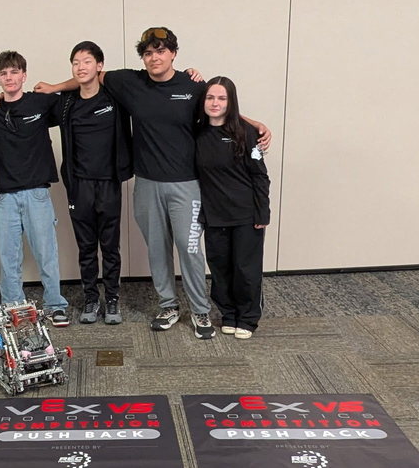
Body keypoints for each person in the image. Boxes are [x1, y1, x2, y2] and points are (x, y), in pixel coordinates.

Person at [36, 26, 270, 339]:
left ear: (173, 53)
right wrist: (53, 87)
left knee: (189, 251)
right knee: (158, 251)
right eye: (148, 53)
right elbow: (87, 77)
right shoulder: (130, 82)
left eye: (161, 51)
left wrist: (253, 123)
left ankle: (200, 311)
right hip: (146, 184)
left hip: (186, 186)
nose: (154, 57)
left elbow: (221, 106)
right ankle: (168, 305)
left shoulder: (192, 85)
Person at [0, 50, 70, 326]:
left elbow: (80, 89)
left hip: (37, 193)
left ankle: (55, 304)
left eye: (14, 72)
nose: (9, 77)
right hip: (5, 197)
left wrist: (55, 87)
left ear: (24, 75)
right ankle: (13, 305)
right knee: (8, 256)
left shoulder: (41, 102)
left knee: (46, 253)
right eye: (4, 73)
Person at [56, 41, 132, 324]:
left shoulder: (115, 98)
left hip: (109, 183)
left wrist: (190, 73)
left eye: (86, 61)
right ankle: (91, 298)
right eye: (75, 62)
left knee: (110, 246)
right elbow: (26, 104)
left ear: (99, 66)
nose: (80, 67)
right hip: (80, 186)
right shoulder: (66, 104)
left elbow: (151, 85)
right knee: (86, 247)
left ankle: (112, 299)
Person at [195, 77, 270, 338]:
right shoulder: (197, 133)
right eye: (210, 97)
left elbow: (260, 175)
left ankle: (248, 318)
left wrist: (262, 212)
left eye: (222, 98)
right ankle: (228, 313)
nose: (215, 103)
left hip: (246, 215)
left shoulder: (246, 133)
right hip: (214, 216)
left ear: (231, 102)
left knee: (245, 269)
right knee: (220, 268)